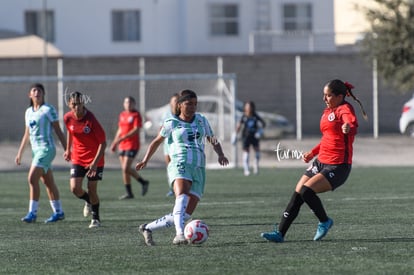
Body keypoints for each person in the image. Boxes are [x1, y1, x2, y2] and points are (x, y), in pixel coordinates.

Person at [261, 79, 367, 243]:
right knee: (297, 193)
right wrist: (312, 153)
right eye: (324, 95)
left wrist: (349, 127)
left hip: (338, 165)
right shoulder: (327, 112)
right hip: (320, 161)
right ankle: (280, 234)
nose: (324, 99)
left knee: (306, 191)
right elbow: (327, 138)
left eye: (328, 95)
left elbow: (351, 122)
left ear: (339, 96)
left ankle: (324, 221)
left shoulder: (344, 108)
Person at [135, 89, 229, 246]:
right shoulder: (171, 122)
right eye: (188, 104)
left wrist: (220, 154)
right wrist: (145, 160)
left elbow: (212, 138)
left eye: (195, 104)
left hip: (198, 168)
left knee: (185, 215)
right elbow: (157, 141)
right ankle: (179, 234)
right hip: (180, 163)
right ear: (180, 105)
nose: (192, 107)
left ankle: (147, 228)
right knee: (182, 196)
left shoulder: (202, 120)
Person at [15, 83, 67, 223]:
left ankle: (32, 213)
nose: (37, 92)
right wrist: (20, 153)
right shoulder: (28, 112)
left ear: (43, 94)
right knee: (48, 182)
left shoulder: (48, 109)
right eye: (34, 90)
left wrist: (67, 149)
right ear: (30, 95)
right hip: (35, 151)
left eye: (40, 90)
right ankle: (59, 212)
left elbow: (58, 130)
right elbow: (27, 134)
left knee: (32, 178)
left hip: (46, 149)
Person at [63, 91, 106, 228]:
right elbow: (71, 132)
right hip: (78, 157)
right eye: (73, 104)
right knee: (75, 188)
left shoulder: (90, 119)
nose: (77, 107)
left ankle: (96, 218)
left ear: (83, 103)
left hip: (95, 158)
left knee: (92, 189)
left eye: (79, 104)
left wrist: (94, 164)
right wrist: (68, 149)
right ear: (69, 104)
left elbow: (103, 143)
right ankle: (88, 201)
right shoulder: (67, 118)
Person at [110, 96, 149, 200]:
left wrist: (123, 138)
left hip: (132, 145)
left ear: (134, 104)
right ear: (124, 104)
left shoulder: (136, 115)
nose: (128, 104)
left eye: (130, 103)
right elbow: (120, 129)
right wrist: (115, 142)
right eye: (126, 102)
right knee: (124, 170)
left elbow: (136, 129)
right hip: (122, 144)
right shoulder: (122, 115)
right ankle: (129, 193)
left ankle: (143, 182)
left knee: (126, 168)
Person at [233, 101, 266, 176]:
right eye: (247, 107)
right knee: (246, 152)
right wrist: (235, 134)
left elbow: (263, 124)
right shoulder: (244, 116)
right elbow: (239, 126)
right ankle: (246, 169)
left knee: (257, 152)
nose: (248, 108)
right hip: (246, 137)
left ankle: (256, 166)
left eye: (250, 107)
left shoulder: (255, 116)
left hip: (254, 136)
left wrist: (260, 132)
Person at [162, 93, 178, 197]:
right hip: (167, 145)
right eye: (174, 101)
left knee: (178, 166)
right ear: (170, 103)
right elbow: (161, 129)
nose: (176, 102)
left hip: (177, 146)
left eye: (177, 100)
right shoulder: (166, 115)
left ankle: (179, 187)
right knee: (170, 167)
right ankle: (171, 188)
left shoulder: (182, 115)